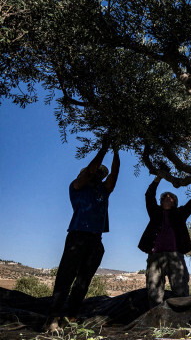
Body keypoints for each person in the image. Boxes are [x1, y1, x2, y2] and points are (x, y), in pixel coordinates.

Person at [45, 142, 120, 331]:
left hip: (96, 241)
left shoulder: (103, 191)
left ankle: (70, 315)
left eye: (99, 174)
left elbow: (114, 174)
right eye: (95, 173)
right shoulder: (77, 187)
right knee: (65, 277)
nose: (97, 175)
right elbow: (88, 173)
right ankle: (53, 317)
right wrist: (104, 148)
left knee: (83, 281)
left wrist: (117, 151)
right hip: (77, 237)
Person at [138, 175, 191, 307]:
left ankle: (181, 320)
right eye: (164, 197)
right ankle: (156, 322)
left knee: (180, 290)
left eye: (171, 197)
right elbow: (149, 196)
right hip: (155, 257)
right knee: (154, 292)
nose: (167, 198)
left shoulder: (180, 213)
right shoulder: (154, 212)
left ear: (175, 202)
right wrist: (158, 178)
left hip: (175, 256)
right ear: (160, 202)